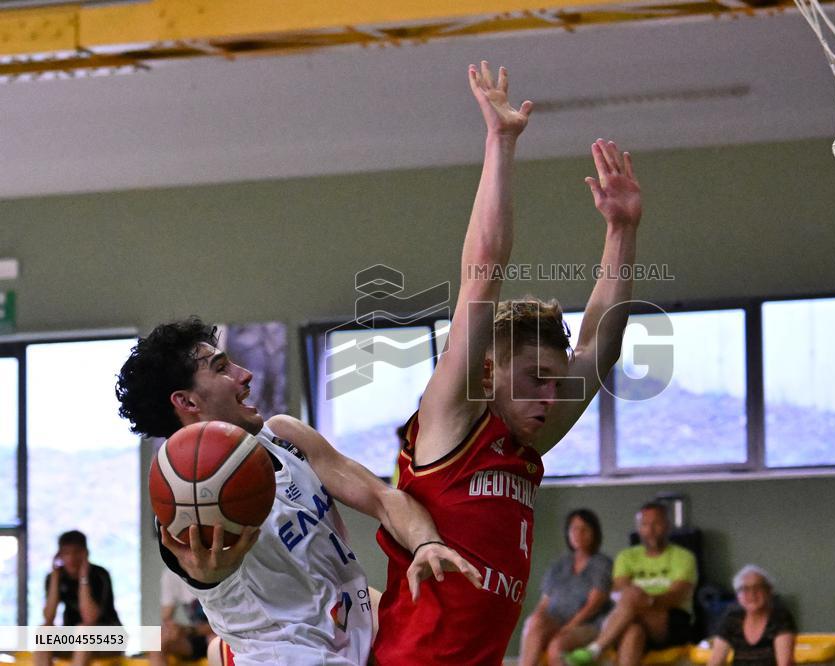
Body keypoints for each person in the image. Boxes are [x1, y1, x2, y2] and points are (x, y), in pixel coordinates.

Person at [373, 61, 642, 665]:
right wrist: (500, 142)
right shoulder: (451, 422)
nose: (550, 397)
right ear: (490, 375)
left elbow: (601, 343)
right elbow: (481, 276)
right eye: (534, 382)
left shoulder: (526, 443)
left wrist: (621, 231)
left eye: (554, 381)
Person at [116, 318, 481, 665]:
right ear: (188, 402)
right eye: (222, 368)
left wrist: (426, 543)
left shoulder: (284, 436)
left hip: (355, 636)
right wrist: (209, 578)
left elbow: (383, 498)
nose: (245, 374)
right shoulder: (190, 508)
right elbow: (203, 573)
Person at [566, 502, 697, 666]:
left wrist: (647, 600)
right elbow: (619, 591)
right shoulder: (626, 557)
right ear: (639, 528)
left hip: (671, 619)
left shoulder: (684, 557)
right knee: (633, 632)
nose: (650, 530)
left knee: (632, 601)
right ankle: (594, 650)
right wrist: (636, 599)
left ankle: (595, 649)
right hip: (630, 617)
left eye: (656, 523)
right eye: (645, 525)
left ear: (667, 526)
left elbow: (676, 596)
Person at [520, 509, 613, 666]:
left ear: (594, 533)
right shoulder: (559, 564)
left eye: (584, 529)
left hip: (587, 625)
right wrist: (538, 619)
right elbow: (544, 603)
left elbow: (594, 603)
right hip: (555, 620)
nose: (578, 533)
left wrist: (568, 626)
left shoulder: (601, 563)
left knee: (556, 646)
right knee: (534, 623)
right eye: (574, 529)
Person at [35, 530, 121, 666]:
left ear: (85, 553)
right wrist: (55, 577)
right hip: (74, 639)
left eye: (76, 552)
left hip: (108, 638)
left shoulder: (99, 575)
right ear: (59, 555)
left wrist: (83, 577)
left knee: (84, 630)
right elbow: (49, 617)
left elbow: (90, 618)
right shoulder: (55, 577)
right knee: (44, 630)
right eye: (66, 553)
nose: (71, 558)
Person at [707, 565, 796, 666]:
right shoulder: (732, 619)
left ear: (769, 591)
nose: (752, 593)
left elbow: (785, 663)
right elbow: (715, 661)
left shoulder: (780, 618)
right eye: (745, 589)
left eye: (758, 587)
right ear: (738, 596)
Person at [149, 568, 215, 666]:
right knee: (156, 641)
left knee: (215, 643)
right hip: (197, 635)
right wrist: (172, 630)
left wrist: (188, 630)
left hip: (221, 634)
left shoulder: (215, 570)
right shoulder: (171, 574)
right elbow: (166, 617)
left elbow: (226, 625)